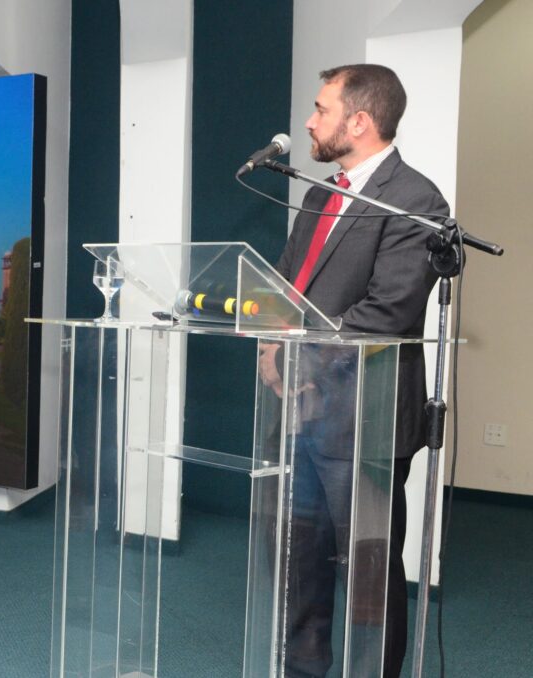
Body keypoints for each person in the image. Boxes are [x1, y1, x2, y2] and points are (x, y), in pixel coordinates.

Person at [258, 64, 448, 677]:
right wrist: (270, 343)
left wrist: (308, 363)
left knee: (367, 576)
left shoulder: (417, 199)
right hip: (296, 413)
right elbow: (288, 284)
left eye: (320, 110)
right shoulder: (319, 194)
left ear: (359, 121)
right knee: (295, 565)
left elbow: (387, 311)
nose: (309, 122)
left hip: (362, 420)